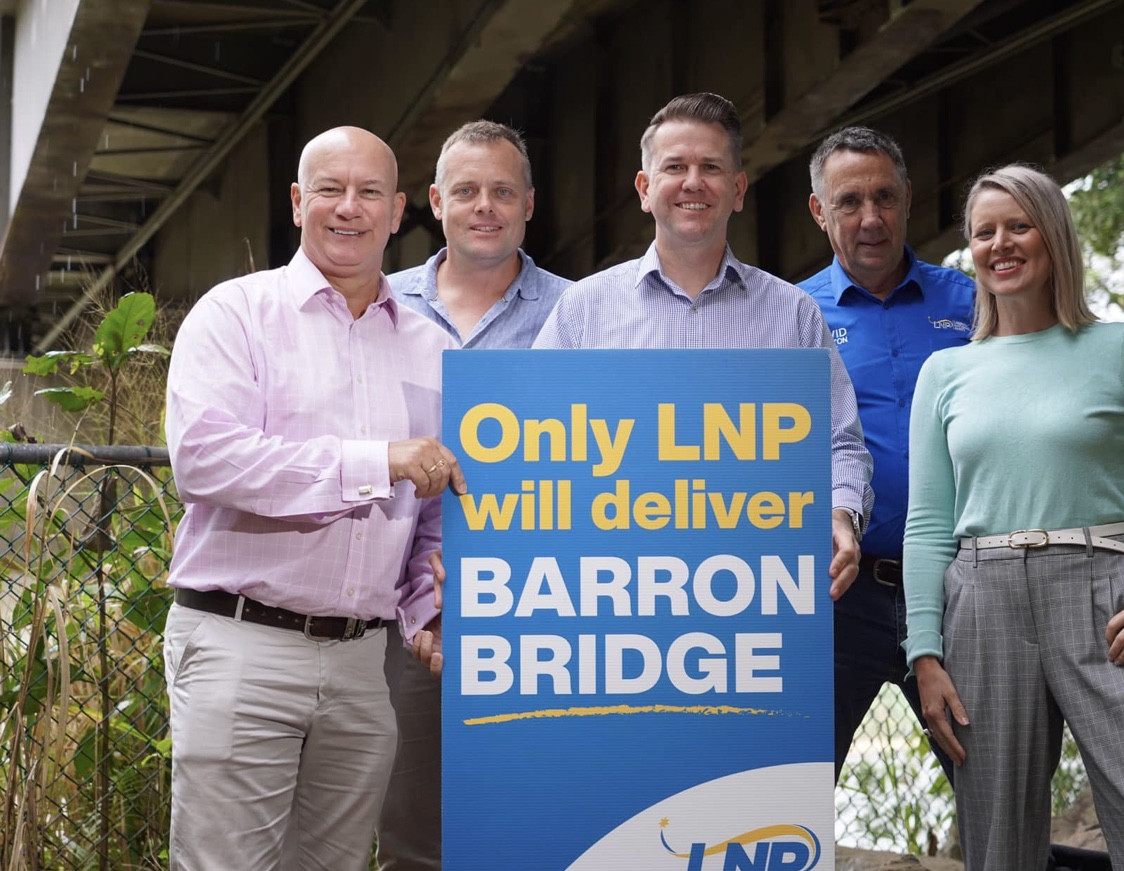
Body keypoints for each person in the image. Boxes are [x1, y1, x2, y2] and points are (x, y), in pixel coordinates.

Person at [902, 164, 1124, 871]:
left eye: (1018, 225)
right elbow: (928, 526)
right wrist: (923, 653)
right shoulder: (945, 374)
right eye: (983, 231)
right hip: (979, 601)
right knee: (996, 846)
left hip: (1102, 592)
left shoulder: (1122, 349)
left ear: (1053, 236)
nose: (1000, 243)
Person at [164, 125, 464, 871]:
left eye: (368, 193)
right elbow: (206, 459)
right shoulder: (234, 314)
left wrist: (430, 607)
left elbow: (435, 508)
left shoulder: (435, 349)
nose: (348, 208)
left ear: (398, 212)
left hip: (365, 663)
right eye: (330, 189)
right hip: (242, 642)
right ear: (298, 202)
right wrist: (375, 462)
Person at [533, 91, 873, 601]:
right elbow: (529, 446)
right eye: (675, 166)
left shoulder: (793, 314)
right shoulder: (582, 310)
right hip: (610, 592)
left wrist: (840, 512)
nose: (693, 182)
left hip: (756, 595)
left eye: (711, 167)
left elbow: (840, 443)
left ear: (738, 189)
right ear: (645, 189)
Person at [377, 120, 570, 871]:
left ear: (528, 203)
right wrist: (420, 606)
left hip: (544, 610)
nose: (483, 206)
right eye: (465, 190)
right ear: (434, 201)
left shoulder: (580, 314)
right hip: (402, 618)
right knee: (412, 840)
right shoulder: (380, 306)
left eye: (501, 191)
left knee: (538, 833)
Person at [797, 126, 973, 782]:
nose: (870, 218)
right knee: (787, 790)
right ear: (818, 211)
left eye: (884, 197)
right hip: (836, 594)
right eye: (848, 202)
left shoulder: (972, 303)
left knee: (990, 787)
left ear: (907, 198)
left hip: (960, 588)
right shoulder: (792, 315)